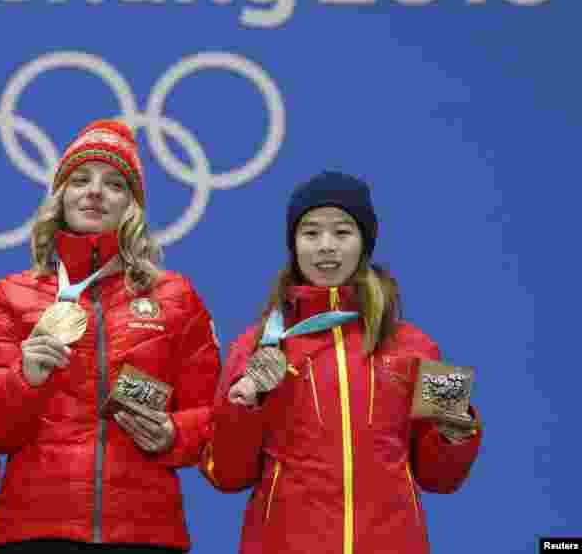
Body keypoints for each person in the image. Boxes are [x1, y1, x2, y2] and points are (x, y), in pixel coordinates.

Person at [0, 120, 221, 553]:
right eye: (80, 180)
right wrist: (24, 378)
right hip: (35, 531)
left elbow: (213, 417)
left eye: (114, 184)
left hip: (145, 534)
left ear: (132, 206)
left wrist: (173, 434)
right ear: (60, 198)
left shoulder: (176, 297)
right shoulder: (10, 295)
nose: (94, 192)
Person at [202, 171, 482, 554]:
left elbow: (441, 479)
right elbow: (226, 475)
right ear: (294, 245)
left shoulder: (418, 347)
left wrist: (458, 430)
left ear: (364, 242)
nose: (326, 247)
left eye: (343, 232)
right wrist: (241, 408)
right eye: (311, 233)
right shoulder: (253, 348)